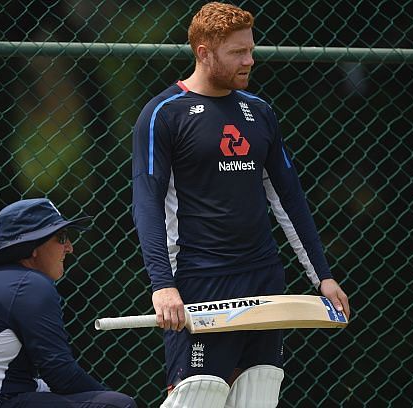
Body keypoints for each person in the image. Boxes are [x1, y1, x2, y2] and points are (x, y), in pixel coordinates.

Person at [131, 2, 350, 407]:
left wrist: (322, 275)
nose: (249, 60)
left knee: (257, 395)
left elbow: (289, 199)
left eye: (250, 49)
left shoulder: (261, 112)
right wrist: (163, 285)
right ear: (203, 52)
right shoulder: (163, 113)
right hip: (201, 280)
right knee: (198, 397)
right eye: (237, 52)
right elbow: (146, 205)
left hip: (264, 279)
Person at [0, 198, 137, 408]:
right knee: (117, 405)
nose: (70, 247)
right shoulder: (29, 285)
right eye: (61, 237)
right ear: (33, 247)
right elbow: (61, 374)